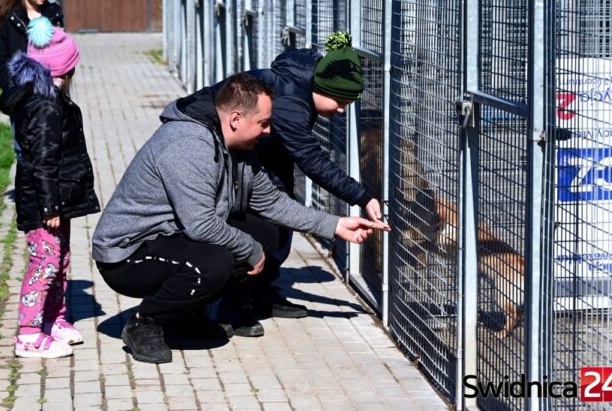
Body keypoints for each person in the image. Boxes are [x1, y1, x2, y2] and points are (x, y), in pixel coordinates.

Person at [91, 73, 389, 364]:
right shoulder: (188, 144)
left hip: (170, 237)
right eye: (264, 123)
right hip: (128, 254)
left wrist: (335, 225)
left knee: (267, 233)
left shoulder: (240, 149)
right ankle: (146, 322)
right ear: (236, 119)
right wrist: (250, 249)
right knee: (216, 261)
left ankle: (186, 313)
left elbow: (271, 202)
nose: (269, 131)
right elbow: (201, 224)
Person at [217, 30, 382, 319]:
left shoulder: (301, 86)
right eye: (340, 102)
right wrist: (361, 195)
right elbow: (312, 161)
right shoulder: (290, 103)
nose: (342, 111)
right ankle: (236, 301)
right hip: (231, 156)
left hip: (262, 157)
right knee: (264, 227)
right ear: (324, 88)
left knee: (281, 223)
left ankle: (261, 292)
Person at [0, 18, 100, 358]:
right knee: (44, 262)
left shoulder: (50, 97)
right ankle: (28, 333)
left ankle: (53, 318)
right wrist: (50, 208)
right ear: (64, 69)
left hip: (58, 198)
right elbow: (42, 162)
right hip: (45, 203)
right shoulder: (44, 105)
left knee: (59, 258)